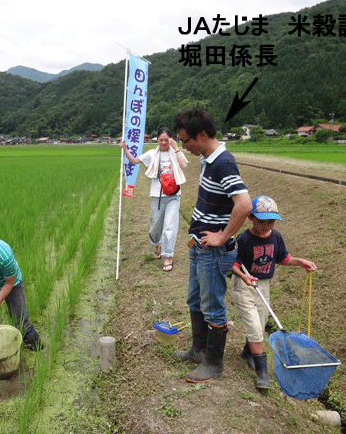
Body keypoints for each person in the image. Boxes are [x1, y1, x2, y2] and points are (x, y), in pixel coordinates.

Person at [172, 107, 252, 383]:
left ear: (202, 135)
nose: (185, 146)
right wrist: (196, 232)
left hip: (213, 250)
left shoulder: (223, 163)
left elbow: (244, 204)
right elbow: (210, 204)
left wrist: (222, 236)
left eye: (186, 141)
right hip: (200, 245)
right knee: (195, 299)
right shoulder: (208, 159)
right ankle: (198, 350)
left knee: (213, 305)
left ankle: (213, 362)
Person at [230, 195, 317, 390]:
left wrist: (300, 262)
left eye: (271, 221)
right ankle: (262, 373)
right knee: (253, 325)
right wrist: (244, 277)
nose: (267, 225)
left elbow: (283, 258)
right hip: (244, 285)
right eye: (262, 221)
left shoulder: (276, 236)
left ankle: (247, 353)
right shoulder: (244, 239)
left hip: (263, 285)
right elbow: (233, 264)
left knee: (260, 324)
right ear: (251, 218)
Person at [120, 127, 188, 271]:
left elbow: (184, 165)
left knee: (170, 226)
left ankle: (168, 256)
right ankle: (156, 244)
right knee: (155, 226)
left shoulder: (175, 152)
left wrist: (176, 149)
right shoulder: (152, 154)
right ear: (157, 140)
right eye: (161, 140)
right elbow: (134, 161)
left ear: (170, 139)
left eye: (166, 140)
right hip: (157, 195)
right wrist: (125, 149)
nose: (164, 142)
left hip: (173, 195)